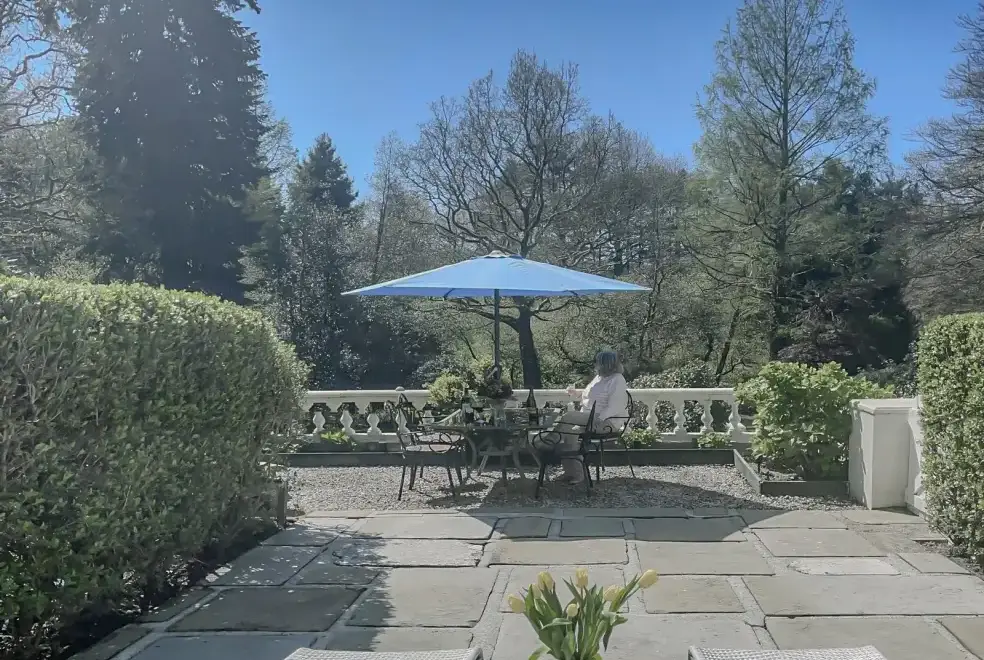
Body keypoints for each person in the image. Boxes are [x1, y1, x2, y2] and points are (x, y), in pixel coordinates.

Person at [539, 350, 629, 484]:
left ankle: (548, 442)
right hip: (588, 418)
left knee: (569, 416)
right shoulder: (599, 377)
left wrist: (598, 420)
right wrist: (576, 393)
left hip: (607, 422)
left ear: (606, 364)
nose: (595, 364)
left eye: (598, 362)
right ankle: (574, 474)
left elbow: (615, 406)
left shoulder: (617, 380)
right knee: (570, 432)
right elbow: (590, 396)